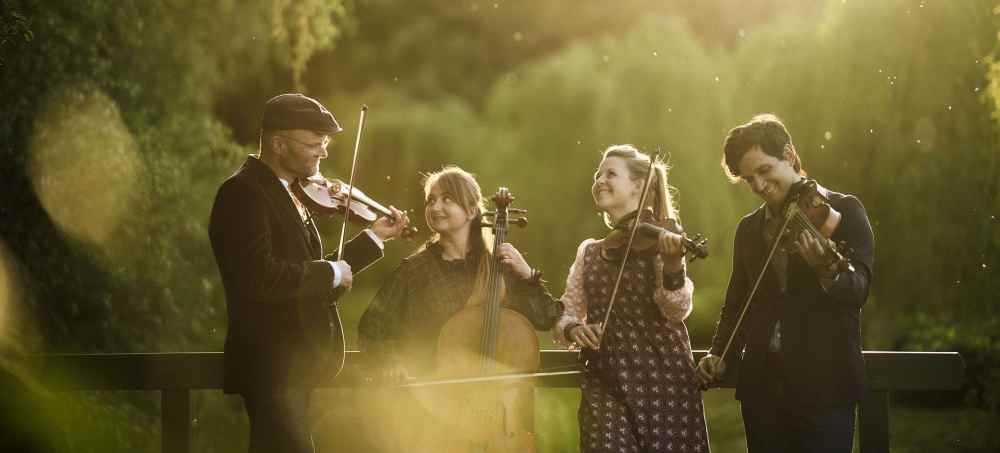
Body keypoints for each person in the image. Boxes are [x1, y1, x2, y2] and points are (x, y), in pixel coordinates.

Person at [209, 93, 409, 453]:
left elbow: (308, 280)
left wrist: (372, 239)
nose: (324, 153)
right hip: (271, 368)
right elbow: (260, 277)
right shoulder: (242, 193)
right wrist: (330, 272)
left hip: (293, 370)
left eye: (325, 143)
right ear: (278, 144)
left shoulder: (288, 193)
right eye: (314, 143)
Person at [695, 114, 875, 453]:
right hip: (762, 388)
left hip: (826, 382)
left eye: (764, 171)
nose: (759, 186)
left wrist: (826, 268)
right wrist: (720, 352)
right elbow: (737, 305)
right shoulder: (748, 230)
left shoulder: (844, 211)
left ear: (789, 155)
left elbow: (859, 290)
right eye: (749, 179)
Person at [357, 165, 563, 451]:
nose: (435, 207)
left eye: (447, 199)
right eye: (431, 200)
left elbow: (546, 317)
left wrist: (527, 274)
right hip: (435, 411)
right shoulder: (414, 271)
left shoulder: (500, 268)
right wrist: (391, 362)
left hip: (503, 419)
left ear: (471, 210)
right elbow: (372, 326)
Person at [553, 145, 710, 453]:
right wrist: (573, 329)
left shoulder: (661, 240)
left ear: (639, 185)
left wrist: (674, 266)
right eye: (598, 174)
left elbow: (677, 309)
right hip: (605, 382)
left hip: (664, 383)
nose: (600, 180)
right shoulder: (589, 251)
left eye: (610, 173)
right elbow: (565, 312)